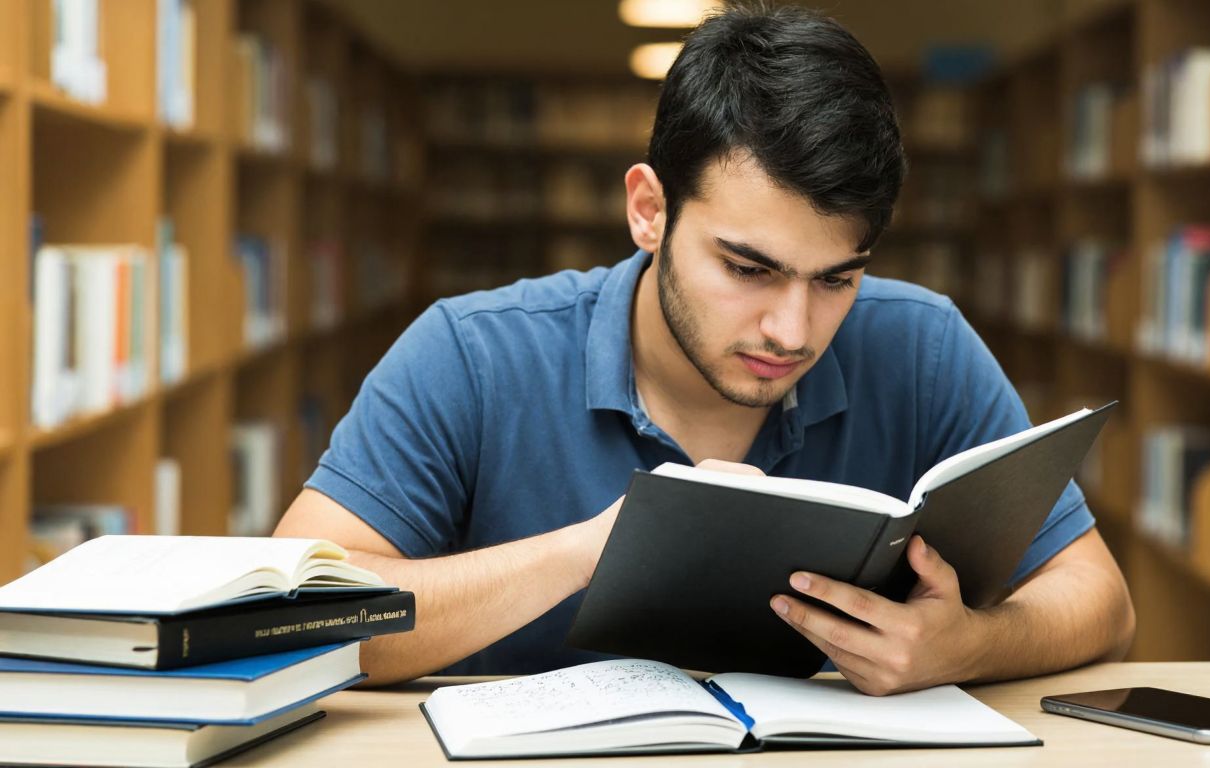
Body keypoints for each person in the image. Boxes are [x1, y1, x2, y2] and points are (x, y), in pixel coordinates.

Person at [274, 4, 1134, 695]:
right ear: (649, 211)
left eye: (836, 278)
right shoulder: (471, 352)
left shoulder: (922, 344)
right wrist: (593, 550)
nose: (792, 331)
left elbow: (1100, 600)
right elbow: (302, 611)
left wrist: (968, 646)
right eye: (749, 267)